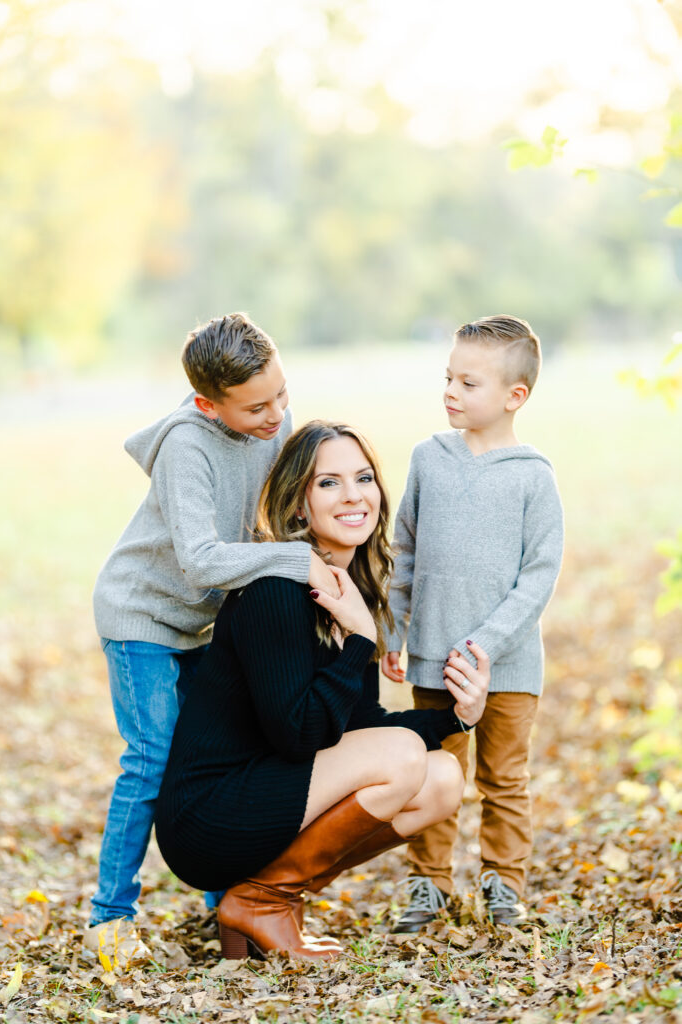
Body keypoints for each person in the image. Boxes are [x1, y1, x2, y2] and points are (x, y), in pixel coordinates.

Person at [154, 421, 490, 960]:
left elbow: (358, 725)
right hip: (210, 815)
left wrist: (459, 717)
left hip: (271, 794)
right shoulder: (275, 592)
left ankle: (267, 897)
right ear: (298, 508)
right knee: (404, 758)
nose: (354, 496)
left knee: (443, 777)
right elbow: (299, 735)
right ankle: (262, 902)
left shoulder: (351, 590)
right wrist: (359, 639)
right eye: (329, 483)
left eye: (363, 478)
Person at [87, 314, 337, 945]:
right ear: (208, 403)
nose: (277, 415)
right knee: (152, 761)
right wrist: (296, 560)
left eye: (282, 393)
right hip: (142, 613)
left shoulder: (267, 415)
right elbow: (200, 558)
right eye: (257, 407)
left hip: (201, 619)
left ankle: (227, 898)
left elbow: (279, 508)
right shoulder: (188, 447)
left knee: (217, 754)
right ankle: (110, 918)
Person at [381, 315, 564, 929]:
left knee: (504, 778)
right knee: (436, 772)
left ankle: (502, 883)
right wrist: (394, 628)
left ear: (516, 396)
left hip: (507, 667)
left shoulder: (532, 477)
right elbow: (403, 551)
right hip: (435, 660)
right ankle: (429, 884)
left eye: (469, 382)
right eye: (449, 378)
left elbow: (538, 576)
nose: (451, 392)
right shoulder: (428, 459)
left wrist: (483, 645)